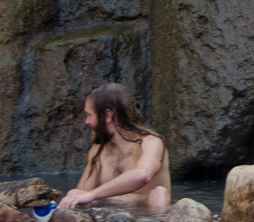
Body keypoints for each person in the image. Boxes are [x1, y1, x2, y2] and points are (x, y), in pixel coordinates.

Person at [59, 83, 171, 211]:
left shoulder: (151, 143)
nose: (86, 122)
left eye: (89, 115)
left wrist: (92, 194)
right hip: (109, 220)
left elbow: (143, 175)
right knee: (73, 193)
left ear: (108, 116)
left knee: (159, 193)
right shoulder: (97, 151)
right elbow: (81, 194)